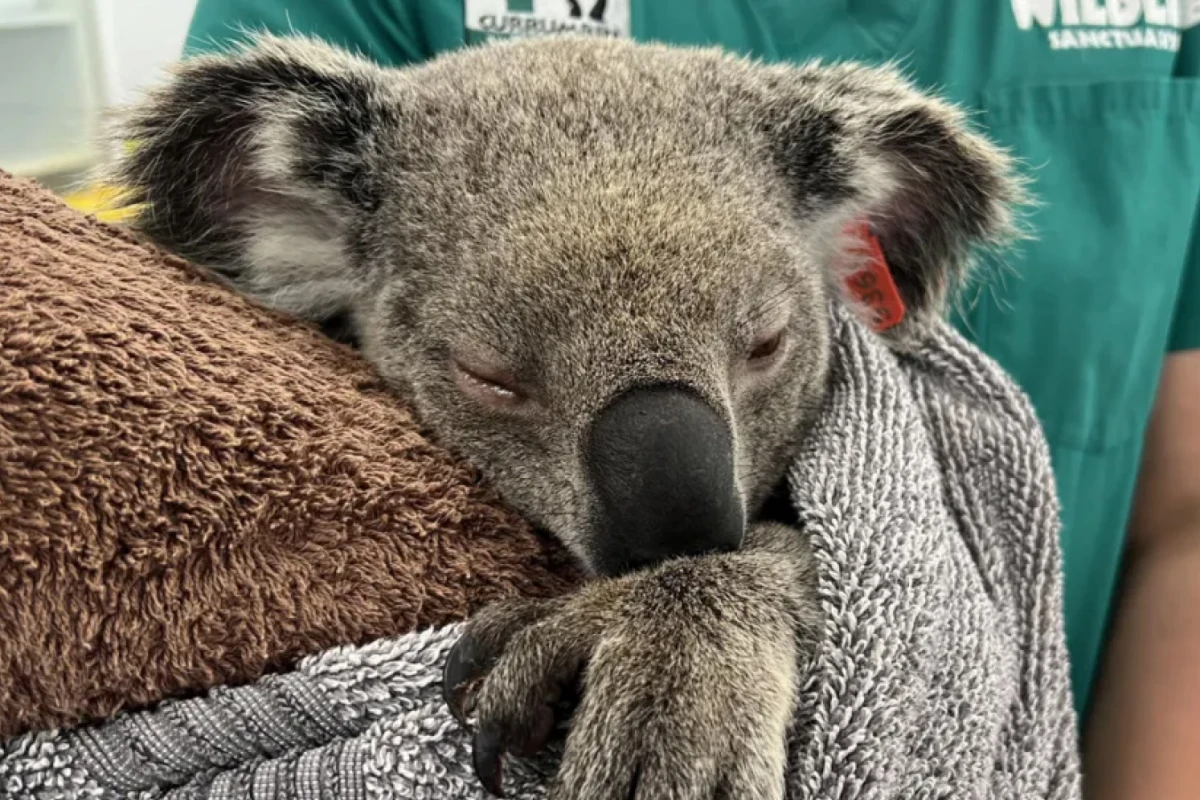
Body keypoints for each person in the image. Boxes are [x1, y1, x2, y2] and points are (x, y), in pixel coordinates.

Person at [183, 2, 1200, 796]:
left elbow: (1186, 518)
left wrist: (746, 598)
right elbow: (222, 474)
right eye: (497, 374)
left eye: (762, 343)